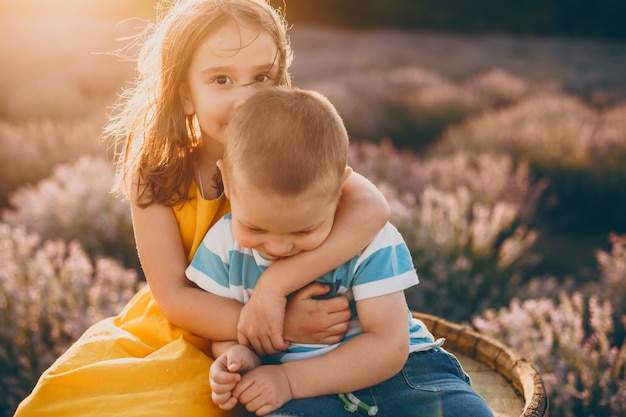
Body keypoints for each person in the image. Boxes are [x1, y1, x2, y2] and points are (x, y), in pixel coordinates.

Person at [14, 1, 389, 416]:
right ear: (185, 95)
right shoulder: (154, 173)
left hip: (278, 329)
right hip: (191, 327)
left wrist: (273, 288)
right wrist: (275, 321)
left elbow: (373, 210)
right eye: (221, 79)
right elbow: (174, 296)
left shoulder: (293, 161)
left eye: (261, 77)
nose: (245, 99)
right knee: (64, 399)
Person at [187, 86, 494, 417]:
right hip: (298, 395)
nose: (278, 247)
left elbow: (388, 346)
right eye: (255, 229)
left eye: (304, 230)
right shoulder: (221, 248)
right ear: (227, 184)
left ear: (339, 188)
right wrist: (237, 358)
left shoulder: (365, 240)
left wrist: (289, 379)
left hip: (404, 374)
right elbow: (224, 330)